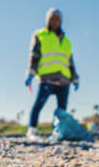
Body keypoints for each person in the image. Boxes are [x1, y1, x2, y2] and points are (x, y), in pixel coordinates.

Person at [25, 8, 79, 141]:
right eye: (52, 19)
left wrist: (74, 78)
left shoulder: (66, 41)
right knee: (39, 104)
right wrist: (31, 73)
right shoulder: (40, 35)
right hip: (47, 77)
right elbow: (34, 55)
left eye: (57, 19)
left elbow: (70, 61)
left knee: (62, 110)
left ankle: (59, 132)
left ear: (61, 21)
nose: (55, 22)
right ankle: (32, 130)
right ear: (48, 20)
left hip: (64, 80)